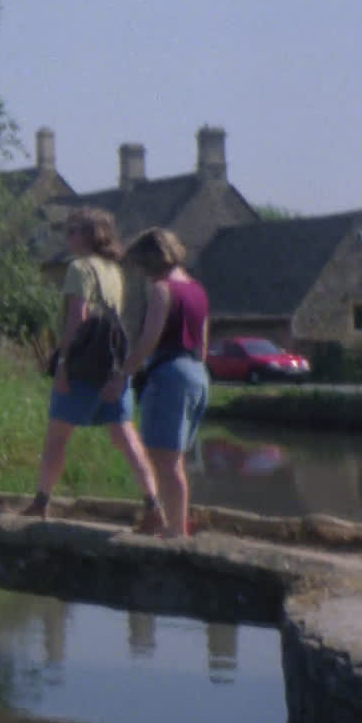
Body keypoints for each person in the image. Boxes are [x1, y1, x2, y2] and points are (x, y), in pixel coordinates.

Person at [27, 207, 160, 521]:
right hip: (112, 362)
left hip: (83, 365)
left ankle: (41, 503)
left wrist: (62, 364)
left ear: (89, 235)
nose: (67, 236)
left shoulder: (79, 268)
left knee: (56, 438)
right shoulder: (115, 270)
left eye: (72, 230)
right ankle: (153, 505)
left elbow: (78, 318)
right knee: (126, 437)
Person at [106, 227, 210, 537]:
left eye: (140, 265)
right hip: (197, 374)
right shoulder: (197, 290)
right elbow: (202, 345)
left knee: (165, 461)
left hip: (169, 374)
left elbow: (148, 340)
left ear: (151, 260)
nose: (139, 272)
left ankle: (175, 529)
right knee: (173, 459)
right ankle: (175, 524)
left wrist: (123, 374)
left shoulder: (163, 290)